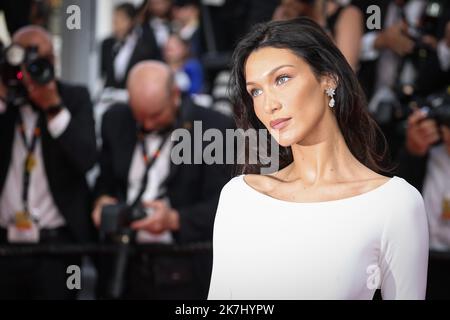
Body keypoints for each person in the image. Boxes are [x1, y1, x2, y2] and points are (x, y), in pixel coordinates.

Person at [207, 18, 429, 300]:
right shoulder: (240, 197)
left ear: (328, 77)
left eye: (282, 79)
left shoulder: (394, 203)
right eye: (256, 91)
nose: (268, 104)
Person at [92, 61, 233, 299]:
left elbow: (224, 206)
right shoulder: (115, 120)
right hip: (124, 264)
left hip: (185, 266)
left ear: (175, 95)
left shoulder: (215, 128)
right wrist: (101, 202)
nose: (147, 125)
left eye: (156, 115)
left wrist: (175, 219)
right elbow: (105, 180)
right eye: (140, 116)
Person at [0, 26, 97, 299]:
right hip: (5, 247)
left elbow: (87, 158)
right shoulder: (6, 101)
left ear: (53, 62)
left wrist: (53, 108)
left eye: (40, 61)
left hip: (58, 248)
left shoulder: (74, 98)